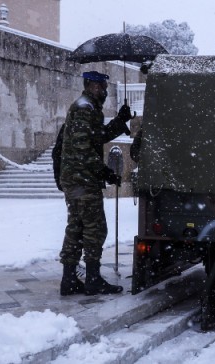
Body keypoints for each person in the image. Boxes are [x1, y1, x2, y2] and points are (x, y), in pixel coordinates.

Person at [59, 71, 132, 296]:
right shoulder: (84, 108)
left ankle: (70, 279)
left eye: (105, 86)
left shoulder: (89, 107)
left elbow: (96, 136)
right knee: (94, 229)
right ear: (90, 85)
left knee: (77, 228)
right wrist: (103, 172)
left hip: (77, 179)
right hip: (82, 180)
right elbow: (83, 147)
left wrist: (120, 121)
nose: (104, 90)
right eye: (101, 86)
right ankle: (92, 279)